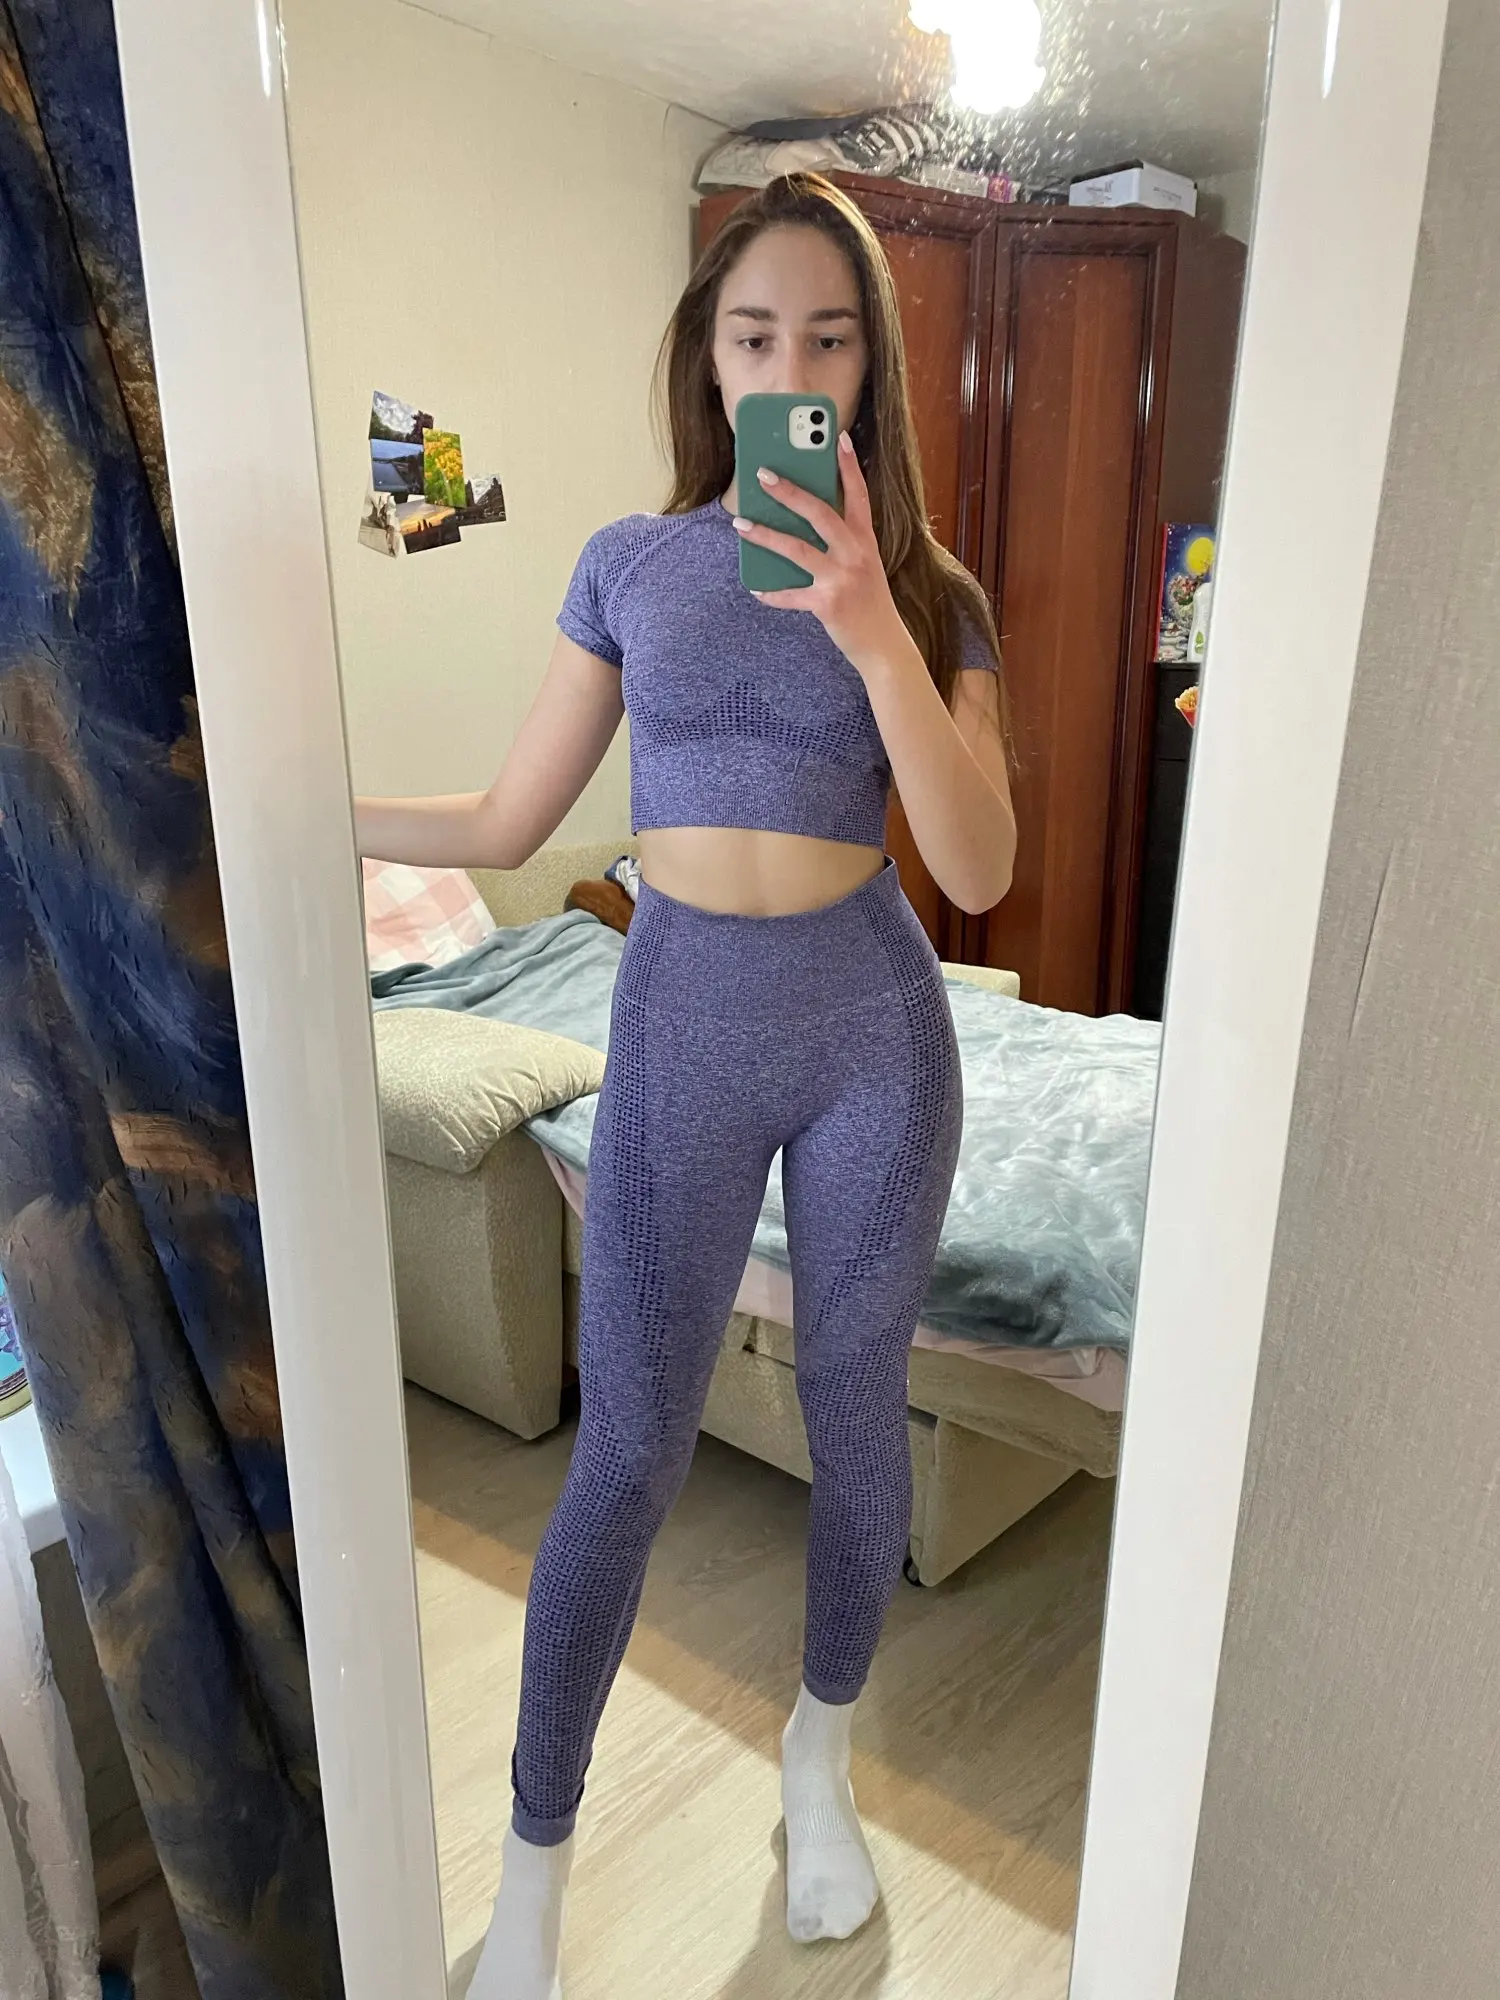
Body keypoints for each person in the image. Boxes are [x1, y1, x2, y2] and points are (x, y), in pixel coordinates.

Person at [356, 172, 1016, 1998]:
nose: (789, 369)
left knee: (857, 1412)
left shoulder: (935, 592)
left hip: (873, 1025)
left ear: (867, 373)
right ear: (711, 362)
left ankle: (821, 1762)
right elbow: (511, 819)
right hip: (685, 1016)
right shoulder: (628, 566)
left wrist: (874, 624)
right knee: (630, 1450)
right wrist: (294, 798)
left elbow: (976, 866)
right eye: (755, 337)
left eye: (828, 340)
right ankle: (537, 1871)